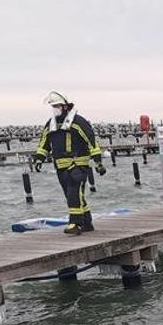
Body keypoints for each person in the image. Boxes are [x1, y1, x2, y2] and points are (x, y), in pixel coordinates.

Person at [32, 92, 106, 235]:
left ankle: (75, 224)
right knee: (73, 195)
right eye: (53, 106)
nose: (55, 108)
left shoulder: (78, 122)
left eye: (57, 106)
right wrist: (39, 158)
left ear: (65, 106)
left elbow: (91, 141)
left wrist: (98, 163)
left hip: (77, 164)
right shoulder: (51, 124)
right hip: (60, 166)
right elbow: (44, 143)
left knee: (73, 193)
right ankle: (87, 222)